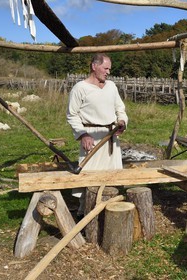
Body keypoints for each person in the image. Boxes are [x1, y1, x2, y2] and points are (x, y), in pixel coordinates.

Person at [67, 53, 128, 217]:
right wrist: (83, 135)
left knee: (111, 174)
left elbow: (120, 108)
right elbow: (72, 115)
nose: (108, 72)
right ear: (94, 66)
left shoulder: (111, 86)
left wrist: (122, 121)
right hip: (92, 138)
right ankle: (84, 212)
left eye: (109, 69)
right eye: (105, 68)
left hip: (111, 138)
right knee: (89, 175)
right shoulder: (80, 88)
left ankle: (109, 209)